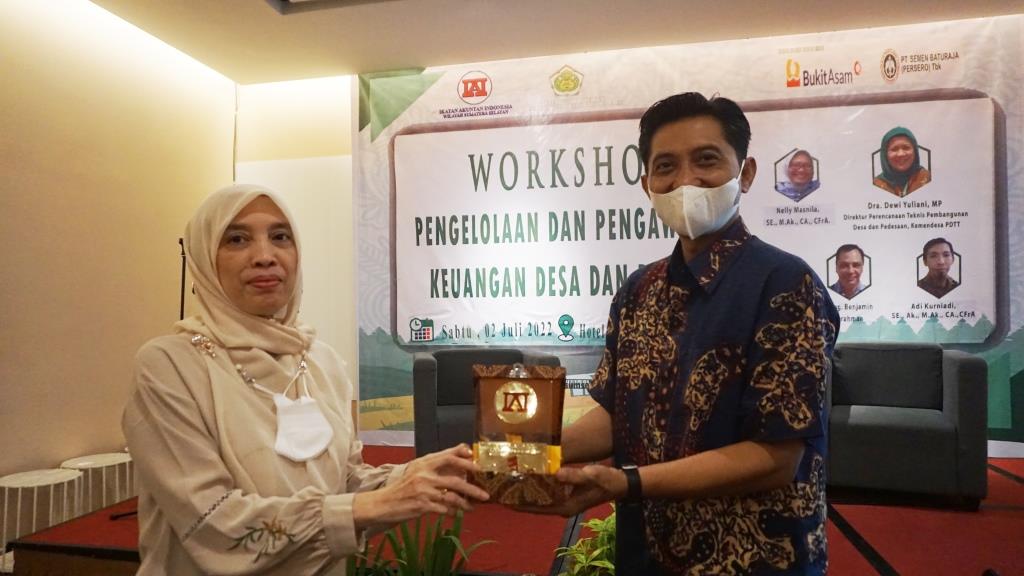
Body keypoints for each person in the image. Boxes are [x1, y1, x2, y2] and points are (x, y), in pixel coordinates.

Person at [524, 93, 839, 574]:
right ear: (647, 185)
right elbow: (616, 412)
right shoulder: (637, 291)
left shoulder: (786, 285)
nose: (686, 180)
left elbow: (777, 455)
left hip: (752, 559)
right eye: (666, 166)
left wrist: (628, 483)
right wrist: (525, 456)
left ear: (746, 173)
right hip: (646, 553)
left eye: (706, 160)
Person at [122, 184, 489, 575]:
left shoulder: (321, 362)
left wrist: (412, 477)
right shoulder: (170, 366)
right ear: (204, 259)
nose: (265, 256)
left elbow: (345, 483)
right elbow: (213, 523)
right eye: (237, 239)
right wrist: (371, 505)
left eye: (280, 237)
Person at [872, 126, 932, 197]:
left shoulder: (928, 178)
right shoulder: (876, 184)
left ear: (915, 151)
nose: (901, 154)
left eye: (906, 148)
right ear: (885, 154)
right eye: (894, 149)